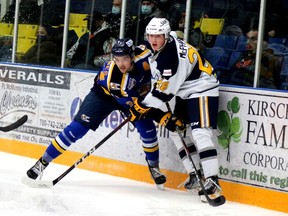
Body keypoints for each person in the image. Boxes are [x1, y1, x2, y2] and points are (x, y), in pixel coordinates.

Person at [26, 38, 167, 188]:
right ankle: (42, 163)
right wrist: (162, 116)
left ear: (132, 56)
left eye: (125, 59)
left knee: (148, 130)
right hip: (104, 95)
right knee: (76, 129)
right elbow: (135, 105)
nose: (121, 64)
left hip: (131, 96)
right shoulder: (115, 78)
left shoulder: (145, 55)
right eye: (117, 59)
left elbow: (156, 49)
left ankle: (154, 167)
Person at [129, 18, 223, 201]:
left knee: (200, 133)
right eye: (151, 35)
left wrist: (140, 106)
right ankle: (196, 175)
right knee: (175, 130)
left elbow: (163, 95)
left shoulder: (170, 58)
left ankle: (212, 180)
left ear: (165, 36)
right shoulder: (166, 42)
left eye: (158, 36)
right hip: (184, 89)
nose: (154, 40)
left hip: (202, 87)